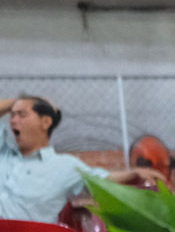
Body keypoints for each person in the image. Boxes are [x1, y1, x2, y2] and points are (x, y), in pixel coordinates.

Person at [0, 96, 163, 224]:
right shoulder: (3, 154)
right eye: (12, 116)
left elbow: (100, 180)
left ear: (46, 122)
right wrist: (17, 102)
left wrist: (133, 173)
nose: (13, 120)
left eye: (22, 115)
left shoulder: (64, 166)